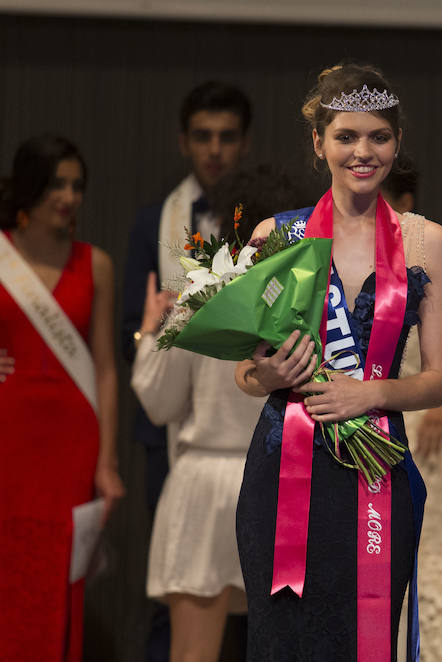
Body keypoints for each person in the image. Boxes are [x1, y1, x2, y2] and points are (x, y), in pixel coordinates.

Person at [233, 63, 442, 661]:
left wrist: (371, 395)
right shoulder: (276, 236)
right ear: (318, 143)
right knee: (283, 641)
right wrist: (269, 377)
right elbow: (245, 372)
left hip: (378, 466)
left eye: (378, 137)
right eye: (346, 137)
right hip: (284, 472)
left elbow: (436, 381)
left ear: (397, 143)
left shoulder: (424, 241)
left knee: (365, 640)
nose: (363, 152)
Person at [130, 164, 314, 662]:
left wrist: (151, 332)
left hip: (205, 484)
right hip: (285, 481)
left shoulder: (204, 293)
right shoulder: (311, 297)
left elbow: (159, 402)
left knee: (192, 653)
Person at [120, 80, 252, 662]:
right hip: (176, 426)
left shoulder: (270, 226)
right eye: (203, 137)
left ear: (243, 144)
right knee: (181, 592)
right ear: (183, 142)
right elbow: (132, 320)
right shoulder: (156, 222)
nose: (214, 150)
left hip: (249, 426)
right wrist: (162, 334)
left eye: (226, 137)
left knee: (259, 608)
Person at [0, 134, 125, 661]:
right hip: (10, 436)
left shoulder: (95, 264)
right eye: (56, 184)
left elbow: (104, 366)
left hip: (74, 442)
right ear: (30, 188)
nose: (68, 196)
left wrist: (107, 462)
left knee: (60, 574)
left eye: (76, 185)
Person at [383, 155, 442, 662]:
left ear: (406, 203)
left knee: (426, 572)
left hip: (420, 439)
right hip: (355, 433)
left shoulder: (429, 257)